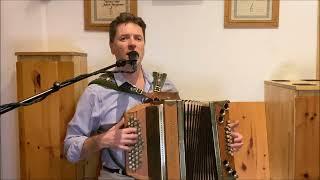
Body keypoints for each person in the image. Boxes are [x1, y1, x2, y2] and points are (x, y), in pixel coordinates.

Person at [64, 12, 243, 179]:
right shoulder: (97, 92)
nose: (132, 43)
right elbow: (70, 148)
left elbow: (185, 136)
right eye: (124, 38)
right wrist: (102, 140)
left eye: (138, 38)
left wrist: (222, 140)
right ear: (112, 46)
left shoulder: (164, 85)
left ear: (143, 45)